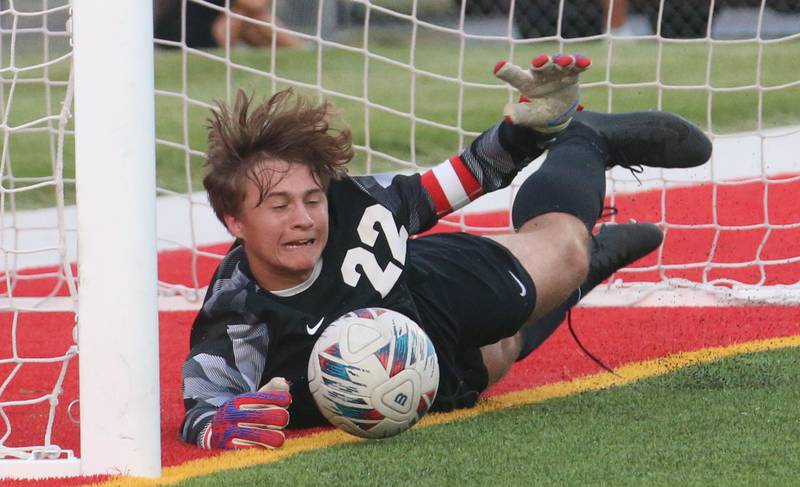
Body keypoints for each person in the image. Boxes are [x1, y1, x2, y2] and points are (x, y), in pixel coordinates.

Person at [180, 53, 712, 450]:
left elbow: (456, 180)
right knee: (500, 356)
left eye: (311, 199)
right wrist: (215, 427)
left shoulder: (356, 206)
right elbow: (202, 405)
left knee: (567, 252)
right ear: (233, 219)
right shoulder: (238, 314)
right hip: (416, 365)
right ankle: (591, 269)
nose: (303, 218)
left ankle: (585, 142)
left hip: (434, 289)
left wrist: (527, 130)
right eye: (278, 206)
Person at [154, 0, 305, 50]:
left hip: (167, 36)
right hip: (194, 38)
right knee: (246, 11)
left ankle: (293, 49)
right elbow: (256, 4)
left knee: (249, 21)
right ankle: (299, 49)